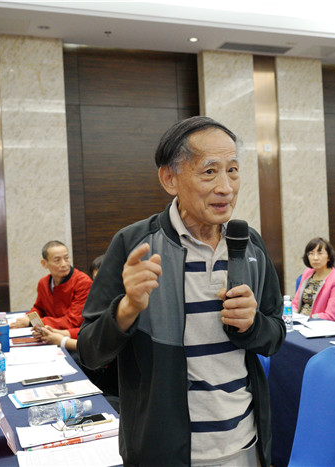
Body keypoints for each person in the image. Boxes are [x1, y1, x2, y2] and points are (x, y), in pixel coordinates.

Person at [77, 116, 286, 466]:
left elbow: (275, 336)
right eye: (210, 172)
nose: (226, 187)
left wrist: (253, 324)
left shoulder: (249, 244)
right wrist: (127, 309)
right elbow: (89, 352)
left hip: (244, 444)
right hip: (164, 453)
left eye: (233, 171)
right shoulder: (134, 244)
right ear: (169, 179)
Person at [11, 240, 92, 340]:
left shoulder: (83, 282)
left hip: (73, 338)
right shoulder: (43, 283)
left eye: (66, 258)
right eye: (57, 260)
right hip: (49, 334)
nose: (64, 264)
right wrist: (29, 317)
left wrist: (33, 322)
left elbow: (73, 321)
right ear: (44, 263)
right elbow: (39, 308)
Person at [292, 237, 335, 320]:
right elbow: (295, 303)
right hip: (300, 321)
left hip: (319, 323)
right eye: (311, 253)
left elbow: (331, 315)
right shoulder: (307, 272)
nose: (315, 258)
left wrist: (308, 320)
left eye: (320, 253)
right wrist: (293, 315)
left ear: (328, 257)